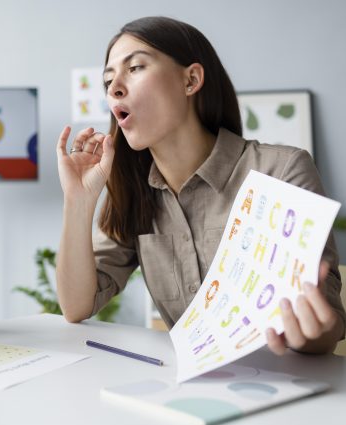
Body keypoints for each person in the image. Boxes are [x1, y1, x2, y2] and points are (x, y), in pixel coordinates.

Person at [56, 16, 345, 355]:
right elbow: (76, 306)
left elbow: (327, 319)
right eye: (108, 80)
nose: (114, 87)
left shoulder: (282, 171)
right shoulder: (135, 192)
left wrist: (311, 333)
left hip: (282, 385)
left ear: (190, 79)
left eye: (135, 68)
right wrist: (78, 201)